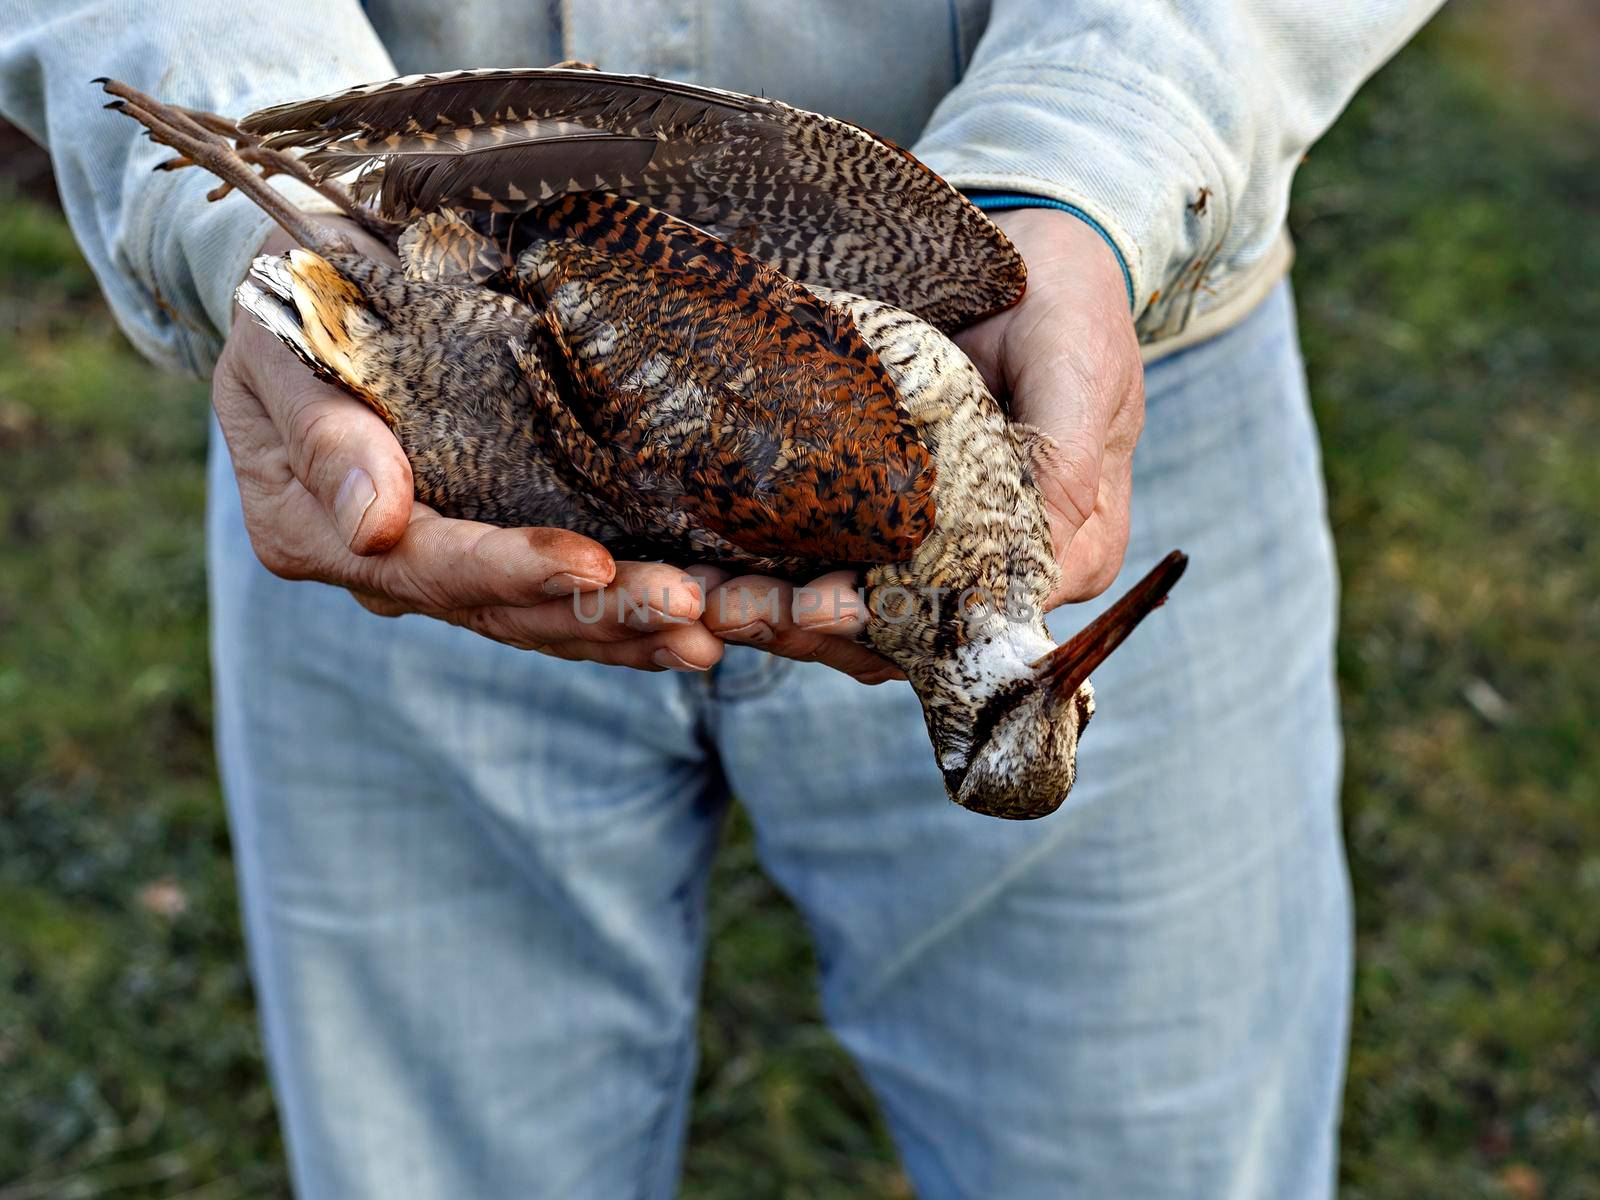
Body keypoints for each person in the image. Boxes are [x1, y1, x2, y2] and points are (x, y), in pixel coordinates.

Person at [0, 2, 1440, 1195]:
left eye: (1028, 696)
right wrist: (278, 185)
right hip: (400, 471)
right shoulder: (910, 508)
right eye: (1067, 687)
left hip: (1097, 330)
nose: (1067, 662)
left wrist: (1089, 163)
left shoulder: (912, 497)